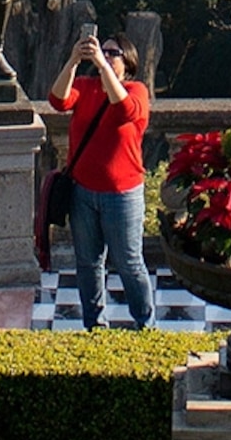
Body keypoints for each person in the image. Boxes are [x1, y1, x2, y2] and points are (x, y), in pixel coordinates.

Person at [49, 30, 156, 331]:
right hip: (83, 192)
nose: (106, 55)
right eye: (103, 50)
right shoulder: (86, 86)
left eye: (113, 53)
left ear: (128, 62)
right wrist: (73, 60)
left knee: (129, 264)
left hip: (122, 196)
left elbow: (124, 110)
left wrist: (102, 65)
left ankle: (145, 324)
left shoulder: (137, 91)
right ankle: (95, 325)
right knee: (88, 263)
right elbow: (57, 100)